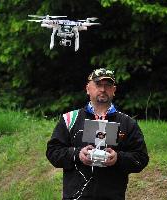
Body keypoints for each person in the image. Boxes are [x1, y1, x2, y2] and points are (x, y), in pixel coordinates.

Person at [46, 68, 149, 200]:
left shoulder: (128, 123)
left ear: (114, 90)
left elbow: (141, 158)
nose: (103, 89)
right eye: (98, 84)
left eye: (108, 85)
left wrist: (118, 158)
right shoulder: (70, 119)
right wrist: (77, 154)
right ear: (88, 88)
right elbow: (52, 152)